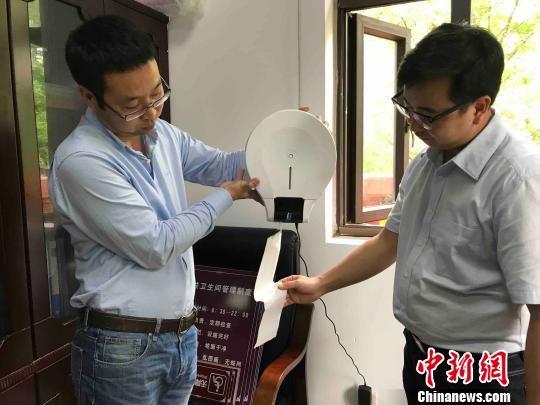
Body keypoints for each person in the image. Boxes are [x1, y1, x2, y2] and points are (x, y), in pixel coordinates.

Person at [278, 23, 539, 405]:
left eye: (428, 115)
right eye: (408, 108)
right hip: (421, 354)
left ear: (479, 108)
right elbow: (390, 242)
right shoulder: (427, 163)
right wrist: (320, 284)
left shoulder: (517, 178)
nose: (413, 124)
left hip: (481, 373)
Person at [48, 15, 260, 405]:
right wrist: (226, 196)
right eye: (132, 106)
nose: (151, 113)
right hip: (121, 349)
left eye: (158, 94)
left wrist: (282, 143)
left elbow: (223, 166)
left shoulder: (162, 135)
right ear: (89, 96)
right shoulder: (82, 161)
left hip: (181, 336)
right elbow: (156, 245)